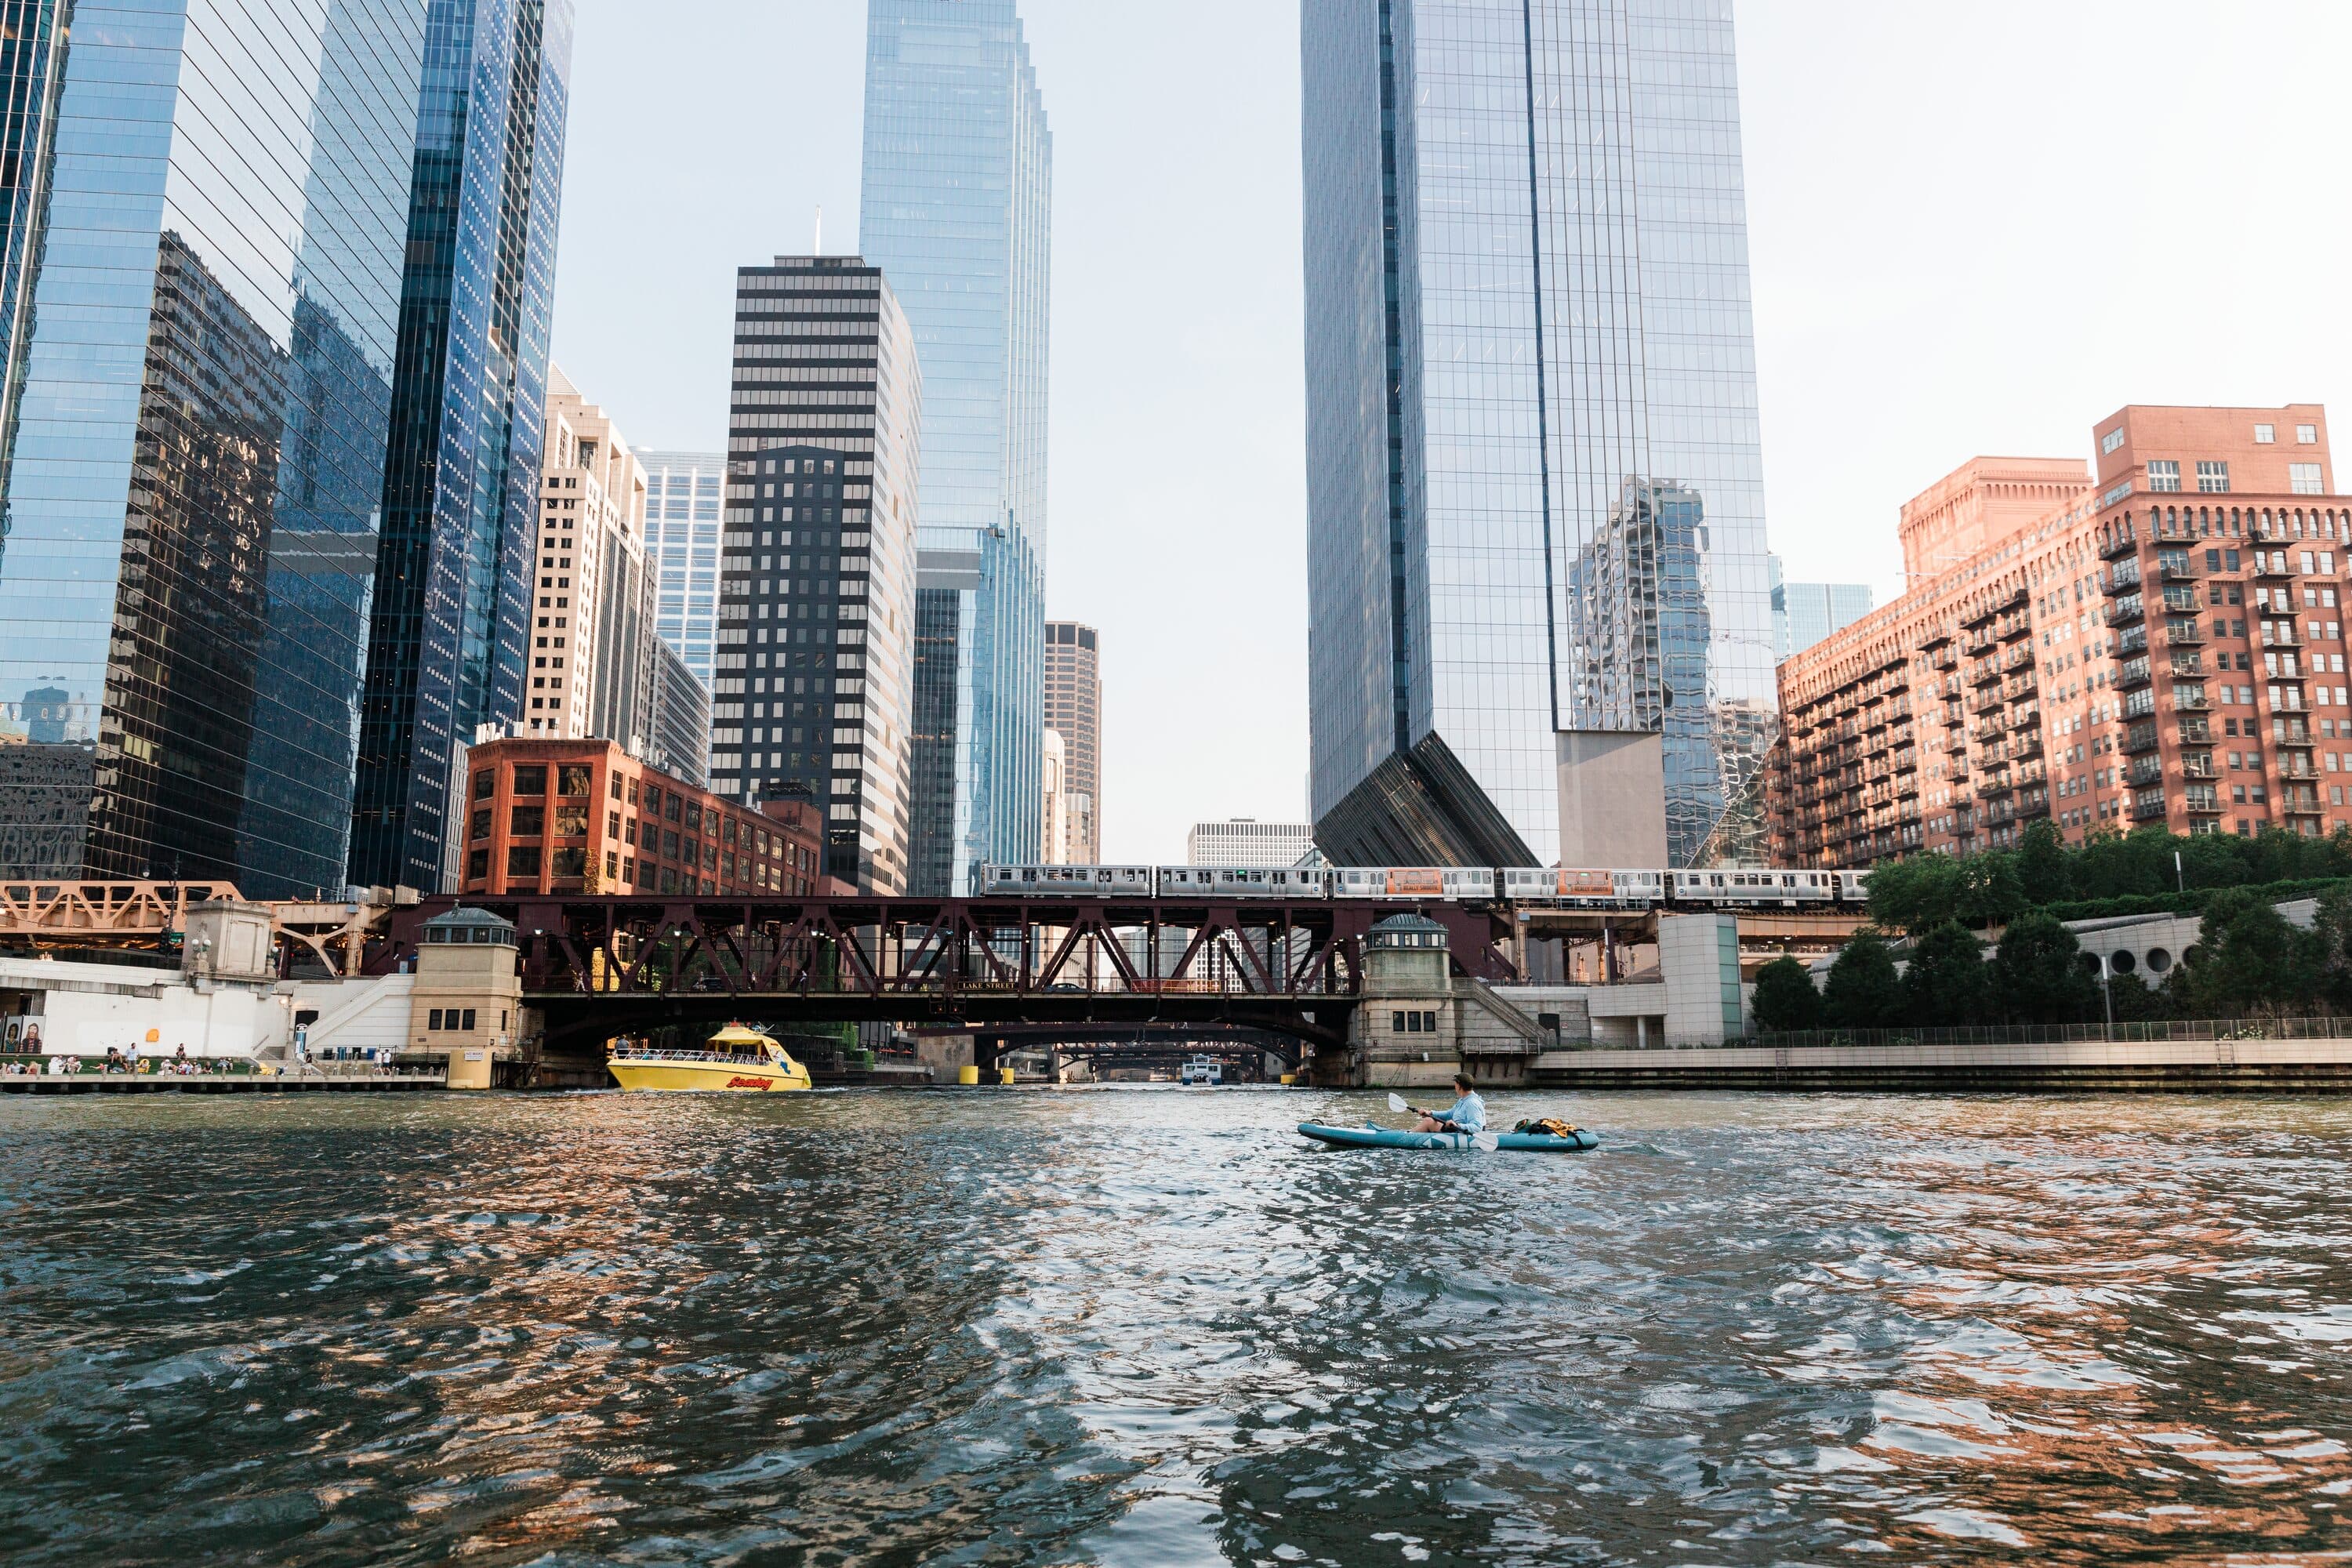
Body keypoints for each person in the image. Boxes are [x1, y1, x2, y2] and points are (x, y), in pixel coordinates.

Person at [1413, 1073, 1486, 1135]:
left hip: (1460, 1131)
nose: (1455, 1086)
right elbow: (1450, 1114)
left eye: (1456, 1084)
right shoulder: (1463, 1100)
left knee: (1428, 1121)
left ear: (1460, 1086)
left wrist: (1457, 1125)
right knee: (1430, 1118)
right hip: (1455, 1129)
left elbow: (1477, 1127)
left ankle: (1408, 1135)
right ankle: (1410, 1133)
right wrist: (1430, 1113)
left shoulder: (1472, 1103)